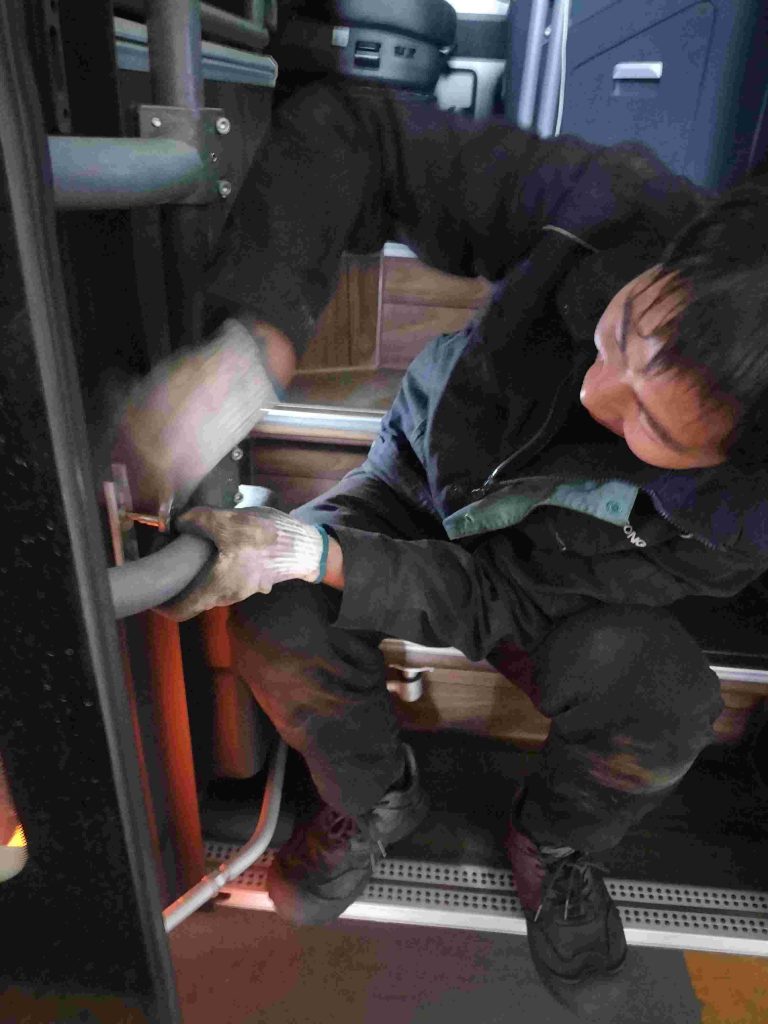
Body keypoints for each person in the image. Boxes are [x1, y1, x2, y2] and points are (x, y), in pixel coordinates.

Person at [116, 81, 768, 1007]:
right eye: (619, 331)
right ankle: (372, 798)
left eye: (653, 426)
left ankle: (555, 842)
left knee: (665, 705)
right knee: (273, 619)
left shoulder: (735, 522)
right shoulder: (615, 208)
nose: (597, 391)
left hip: (556, 584)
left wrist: (308, 552)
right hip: (419, 477)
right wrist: (251, 346)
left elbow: (495, 597)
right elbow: (357, 133)